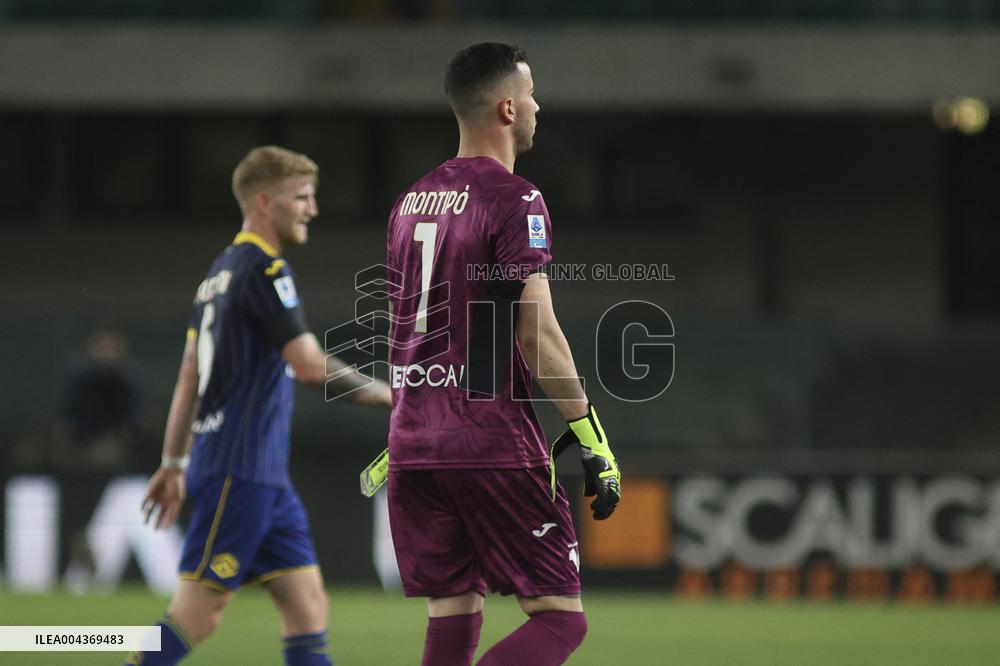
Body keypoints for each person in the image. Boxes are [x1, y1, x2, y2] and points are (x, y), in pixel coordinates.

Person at [383, 43, 622, 666]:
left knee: (454, 612)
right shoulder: (516, 199)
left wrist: (414, 417)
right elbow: (533, 332)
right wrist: (589, 434)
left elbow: (417, 328)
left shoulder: (408, 205)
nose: (540, 104)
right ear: (509, 107)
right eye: (534, 92)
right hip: (487, 441)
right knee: (559, 619)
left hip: (413, 443)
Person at [129, 146, 391, 666]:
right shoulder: (265, 269)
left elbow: (189, 375)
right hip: (237, 469)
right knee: (197, 615)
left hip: (260, 475)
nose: (312, 209)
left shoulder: (218, 274)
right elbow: (310, 367)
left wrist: (174, 462)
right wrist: (394, 396)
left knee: (307, 606)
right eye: (302, 197)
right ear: (266, 203)